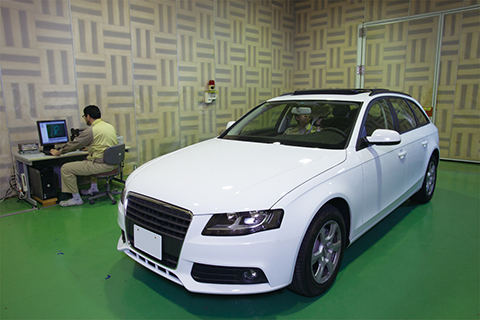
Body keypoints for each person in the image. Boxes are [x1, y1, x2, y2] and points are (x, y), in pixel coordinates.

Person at [50, 105, 118, 207]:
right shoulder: (109, 126)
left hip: (101, 165)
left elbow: (75, 144)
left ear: (88, 116)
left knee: (65, 168)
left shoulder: (91, 130)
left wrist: (59, 152)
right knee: (87, 158)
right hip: (114, 164)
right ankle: (93, 188)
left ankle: (76, 199)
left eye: (84, 117)